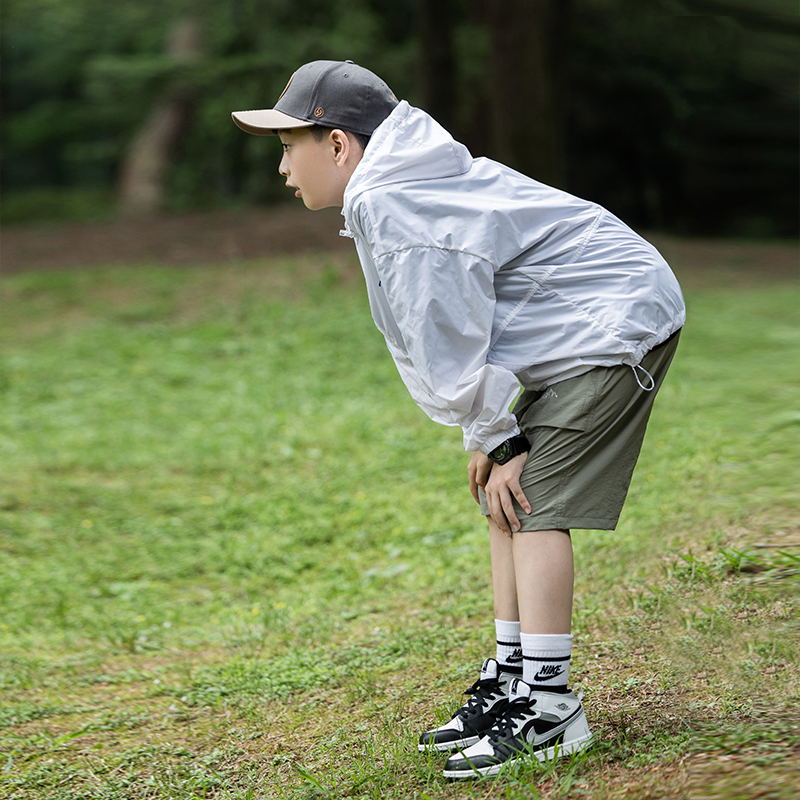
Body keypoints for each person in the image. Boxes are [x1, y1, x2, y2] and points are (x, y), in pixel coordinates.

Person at [232, 60, 685, 780]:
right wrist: (489, 434)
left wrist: (500, 435)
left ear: (340, 145)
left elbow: (443, 333)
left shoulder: (399, 206)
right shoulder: (394, 191)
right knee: (503, 498)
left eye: (290, 145)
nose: (283, 164)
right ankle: (513, 680)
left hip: (614, 322)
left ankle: (548, 707)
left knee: (533, 504)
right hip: (586, 325)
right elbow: (436, 332)